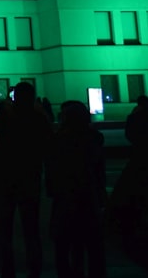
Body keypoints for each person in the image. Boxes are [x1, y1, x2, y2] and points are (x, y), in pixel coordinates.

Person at [0, 81, 52, 278]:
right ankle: (35, 268)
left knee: (4, 231)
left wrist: (2, 108)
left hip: (5, 179)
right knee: (31, 230)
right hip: (29, 178)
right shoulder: (37, 117)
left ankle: (8, 270)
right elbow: (49, 142)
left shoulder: (7, 113)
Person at [45, 100, 106, 278]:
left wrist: (53, 190)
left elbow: (52, 170)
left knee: (64, 245)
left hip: (65, 198)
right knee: (93, 246)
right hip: (88, 196)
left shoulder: (59, 140)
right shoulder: (94, 139)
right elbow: (98, 171)